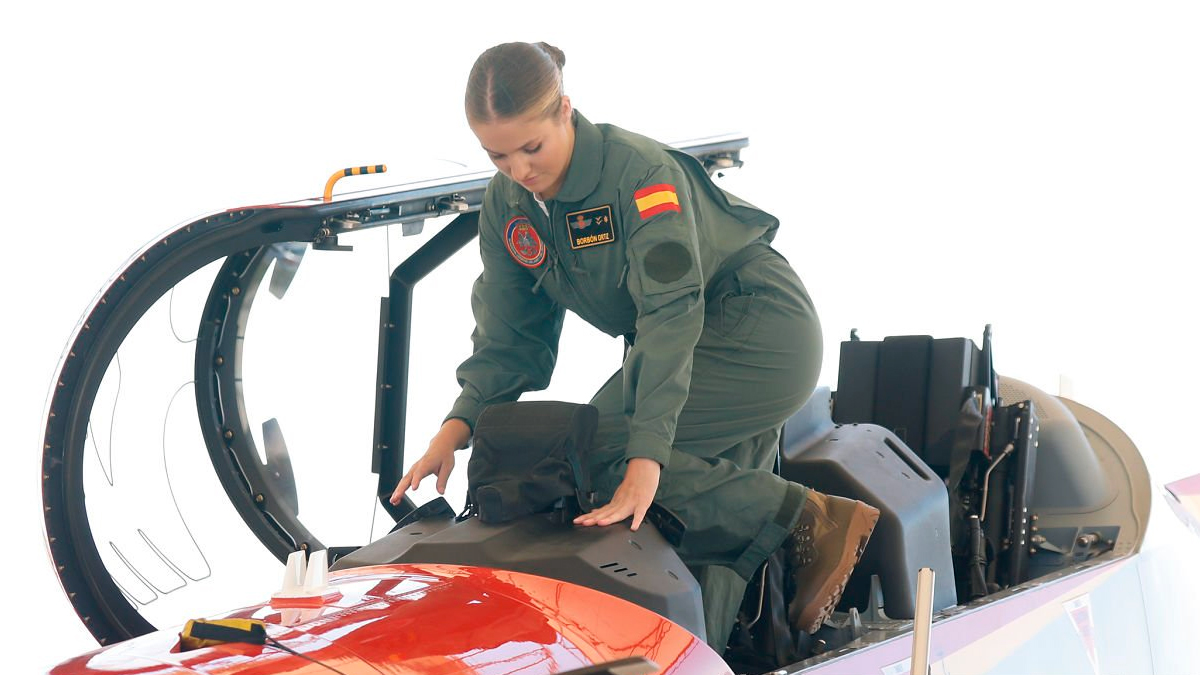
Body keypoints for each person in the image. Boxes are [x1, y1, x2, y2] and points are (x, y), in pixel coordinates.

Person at [390, 41, 879, 652]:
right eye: (498, 155)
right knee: (687, 540)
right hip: (677, 342)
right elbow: (510, 337)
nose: (519, 170)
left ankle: (811, 522)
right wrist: (457, 426)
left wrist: (644, 454)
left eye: (532, 147)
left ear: (565, 110)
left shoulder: (641, 176)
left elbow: (672, 314)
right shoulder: (508, 204)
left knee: (586, 455)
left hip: (754, 330)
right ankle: (706, 654)